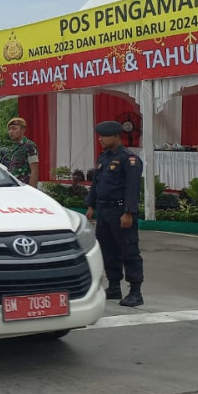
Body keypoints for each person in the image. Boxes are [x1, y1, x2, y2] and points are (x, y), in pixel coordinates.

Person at [85, 121, 144, 307]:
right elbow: (96, 183)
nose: (100, 139)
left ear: (116, 136)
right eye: (99, 136)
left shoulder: (129, 159)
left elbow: (132, 189)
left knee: (128, 251)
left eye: (104, 136)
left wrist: (128, 212)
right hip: (104, 210)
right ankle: (114, 285)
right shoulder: (104, 158)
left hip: (120, 211)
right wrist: (91, 205)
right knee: (108, 250)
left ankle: (135, 291)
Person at [0, 117, 39, 186]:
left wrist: (31, 189)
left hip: (25, 186)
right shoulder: (13, 148)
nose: (11, 132)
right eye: (9, 129)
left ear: (23, 130)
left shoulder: (29, 146)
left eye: (14, 129)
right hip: (14, 186)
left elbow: (34, 170)